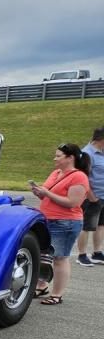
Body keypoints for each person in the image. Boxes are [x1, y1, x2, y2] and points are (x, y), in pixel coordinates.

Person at [32, 143, 91, 305]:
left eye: (58, 156)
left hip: (66, 223)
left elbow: (73, 202)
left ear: (70, 158)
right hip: (47, 220)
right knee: (43, 256)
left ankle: (57, 294)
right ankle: (41, 286)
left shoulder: (79, 176)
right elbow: (46, 196)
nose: (55, 158)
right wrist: (39, 193)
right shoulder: (56, 173)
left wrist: (47, 193)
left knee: (59, 258)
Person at [76, 127, 104, 266]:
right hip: (92, 197)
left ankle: (97, 253)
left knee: (101, 225)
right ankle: (81, 255)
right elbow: (83, 178)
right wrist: (92, 197)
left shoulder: (102, 153)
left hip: (102, 196)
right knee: (87, 226)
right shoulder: (86, 154)